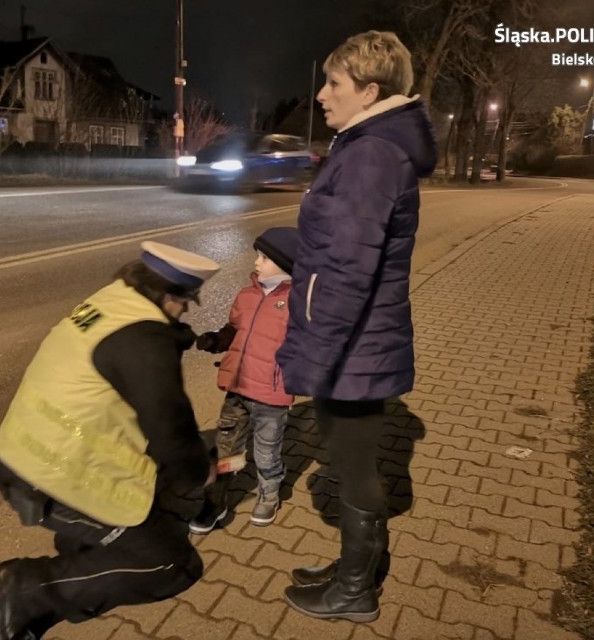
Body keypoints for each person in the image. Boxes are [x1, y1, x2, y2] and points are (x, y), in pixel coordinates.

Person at [276, 31, 438, 623]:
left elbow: (346, 268)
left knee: (354, 466)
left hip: (352, 349)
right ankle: (352, 571)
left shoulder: (370, 156)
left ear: (369, 92)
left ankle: (354, 592)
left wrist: (311, 359)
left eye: (334, 84)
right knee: (352, 463)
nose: (321, 94)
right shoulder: (368, 146)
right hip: (360, 343)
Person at [0, 241, 220, 640]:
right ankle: (23, 588)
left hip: (21, 453)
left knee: (120, 544)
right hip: (52, 475)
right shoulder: (144, 338)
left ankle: (36, 613)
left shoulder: (111, 302)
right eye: (185, 303)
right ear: (169, 297)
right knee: (169, 565)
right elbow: (171, 431)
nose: (183, 312)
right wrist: (200, 472)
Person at [188, 227, 298, 534]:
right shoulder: (247, 295)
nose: (257, 263)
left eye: (265, 257)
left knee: (266, 451)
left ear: (287, 264)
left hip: (271, 395)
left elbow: (309, 345)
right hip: (238, 389)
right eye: (258, 256)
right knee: (226, 449)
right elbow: (235, 329)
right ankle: (216, 500)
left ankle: (269, 492)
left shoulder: (298, 302)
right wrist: (217, 340)